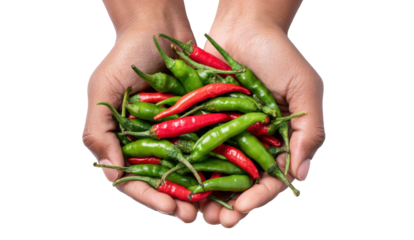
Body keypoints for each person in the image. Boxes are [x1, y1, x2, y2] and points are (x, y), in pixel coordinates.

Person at [82, 0, 325, 229]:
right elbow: (216, 118)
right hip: (203, 131)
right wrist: (146, 20)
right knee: (216, 126)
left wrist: (256, 19)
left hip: (211, 131)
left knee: (216, 127)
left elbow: (219, 119)